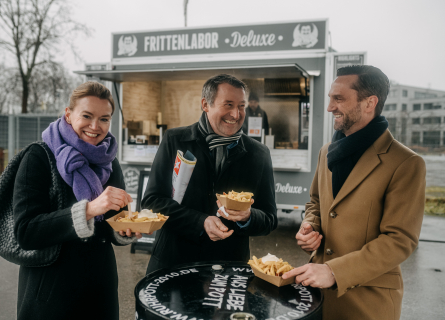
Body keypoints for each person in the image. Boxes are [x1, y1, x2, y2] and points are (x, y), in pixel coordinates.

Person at [282, 65, 426, 320]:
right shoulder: (327, 151)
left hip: (368, 304)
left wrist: (334, 271)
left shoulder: (406, 163)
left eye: (339, 99)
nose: (329, 107)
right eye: (330, 98)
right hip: (317, 298)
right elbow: (316, 202)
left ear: (370, 102)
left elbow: (400, 240)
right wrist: (310, 225)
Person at [13, 81, 141, 320]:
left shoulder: (109, 160)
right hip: (51, 293)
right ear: (68, 114)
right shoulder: (38, 157)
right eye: (87, 116)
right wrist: (90, 210)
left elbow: (113, 220)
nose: (95, 126)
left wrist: (127, 229)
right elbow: (25, 232)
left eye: (104, 118)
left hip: (100, 290)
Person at [142, 74, 277, 274]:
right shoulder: (175, 141)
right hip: (174, 263)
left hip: (229, 268)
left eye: (241, 106)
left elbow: (269, 219)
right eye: (228, 105)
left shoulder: (259, 153)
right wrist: (200, 222)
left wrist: (247, 217)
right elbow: (152, 201)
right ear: (206, 104)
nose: (236, 114)